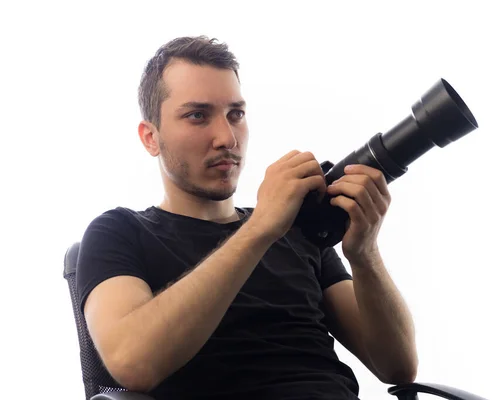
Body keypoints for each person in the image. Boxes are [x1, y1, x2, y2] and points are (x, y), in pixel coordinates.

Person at [76, 35, 418, 400]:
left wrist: (364, 253)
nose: (226, 137)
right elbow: (133, 362)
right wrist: (259, 230)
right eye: (197, 115)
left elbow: (397, 366)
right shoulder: (119, 232)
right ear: (150, 138)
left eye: (235, 115)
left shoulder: (297, 231)